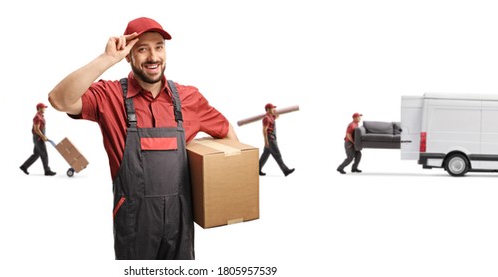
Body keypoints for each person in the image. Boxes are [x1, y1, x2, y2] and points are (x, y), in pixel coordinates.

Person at [48, 17, 237, 260]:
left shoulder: (189, 98)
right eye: (142, 49)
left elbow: (226, 132)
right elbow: (59, 100)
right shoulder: (110, 96)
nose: (153, 57)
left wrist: (228, 192)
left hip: (180, 222)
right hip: (134, 222)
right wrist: (106, 59)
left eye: (159, 47)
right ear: (128, 55)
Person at [259, 103, 295, 177]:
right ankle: (286, 170)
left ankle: (257, 169)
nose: (273, 109)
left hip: (272, 138)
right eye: (272, 108)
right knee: (277, 154)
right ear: (268, 109)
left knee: (265, 155)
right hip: (270, 139)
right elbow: (264, 130)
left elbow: (278, 116)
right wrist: (266, 141)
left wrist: (275, 112)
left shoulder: (271, 117)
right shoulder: (266, 118)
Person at [20, 103, 56, 176]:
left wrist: (43, 136)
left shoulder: (40, 116)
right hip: (38, 138)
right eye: (43, 107)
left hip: (38, 138)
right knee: (44, 154)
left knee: (36, 154)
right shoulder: (37, 117)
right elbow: (36, 129)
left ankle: (24, 166)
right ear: (39, 108)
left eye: (45, 107)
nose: (45, 109)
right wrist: (43, 136)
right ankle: (47, 170)